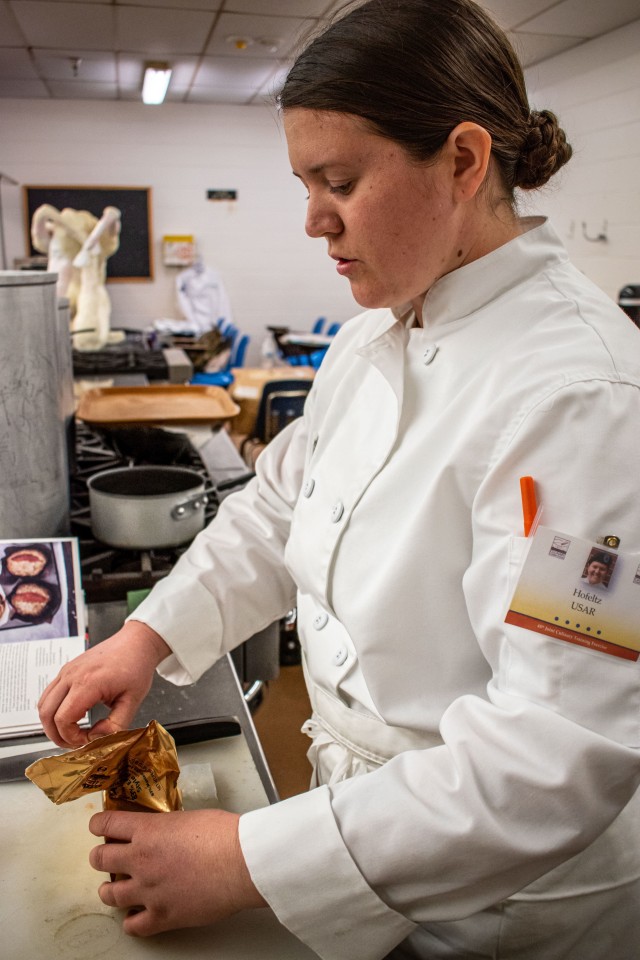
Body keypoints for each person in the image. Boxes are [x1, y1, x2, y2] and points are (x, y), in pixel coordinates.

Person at [38, 2, 640, 958]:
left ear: (464, 160)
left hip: (510, 908)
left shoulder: (583, 396)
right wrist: (150, 634)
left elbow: (556, 752)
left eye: (340, 181)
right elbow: (278, 509)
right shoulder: (372, 337)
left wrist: (247, 862)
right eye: (305, 183)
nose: (315, 220)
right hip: (354, 820)